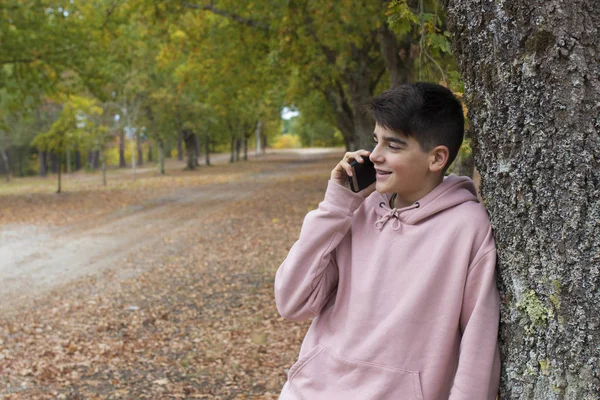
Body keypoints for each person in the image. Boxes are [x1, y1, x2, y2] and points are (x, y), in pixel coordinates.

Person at [273, 82, 500, 400]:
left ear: (436, 158)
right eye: (375, 141)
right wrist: (336, 205)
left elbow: (479, 349)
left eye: (393, 146)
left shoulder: (467, 228)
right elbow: (292, 302)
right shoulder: (357, 209)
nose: (375, 155)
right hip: (311, 391)